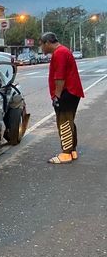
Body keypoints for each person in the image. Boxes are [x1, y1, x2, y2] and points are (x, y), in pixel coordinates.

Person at [40, 32, 84, 164]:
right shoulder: (63, 51)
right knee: (69, 121)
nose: (41, 48)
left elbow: (59, 78)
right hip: (72, 92)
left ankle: (66, 154)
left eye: (42, 45)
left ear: (48, 43)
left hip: (66, 93)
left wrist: (57, 97)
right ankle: (72, 151)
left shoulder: (59, 53)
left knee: (63, 122)